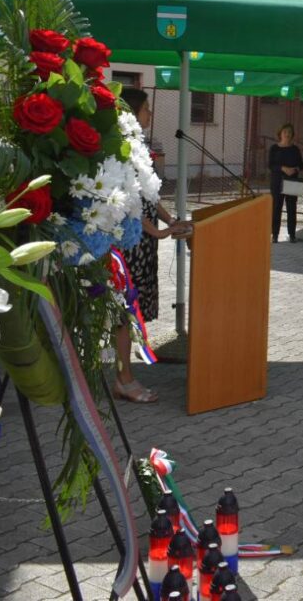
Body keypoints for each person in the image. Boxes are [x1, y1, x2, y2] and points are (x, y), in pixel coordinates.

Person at [113, 89, 186, 404]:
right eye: (146, 109)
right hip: (130, 245)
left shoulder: (139, 148)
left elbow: (149, 196)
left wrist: (172, 221)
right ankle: (123, 379)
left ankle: (125, 373)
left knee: (132, 314)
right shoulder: (121, 149)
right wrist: (159, 232)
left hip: (143, 245)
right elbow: (129, 204)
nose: (150, 115)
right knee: (124, 314)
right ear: (132, 112)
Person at [267, 123, 303, 242]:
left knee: (291, 208)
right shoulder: (274, 148)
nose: (287, 134)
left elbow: (301, 165)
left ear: (292, 135)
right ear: (280, 134)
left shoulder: (295, 149)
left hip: (292, 182)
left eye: (289, 132)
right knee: (276, 207)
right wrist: (283, 168)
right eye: (285, 132)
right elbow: (270, 165)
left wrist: (295, 169)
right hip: (277, 182)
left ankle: (292, 235)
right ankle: (275, 235)